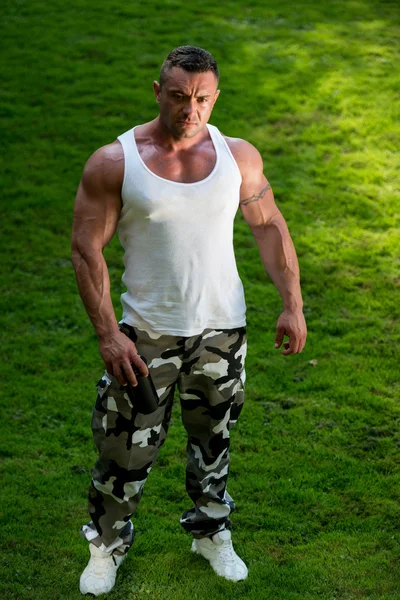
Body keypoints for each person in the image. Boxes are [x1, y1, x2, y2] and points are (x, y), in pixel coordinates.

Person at [71, 45, 307, 596]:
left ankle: (210, 533)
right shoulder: (116, 161)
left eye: (202, 98)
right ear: (158, 92)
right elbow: (86, 251)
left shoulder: (238, 156)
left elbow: (269, 225)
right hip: (145, 335)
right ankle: (105, 549)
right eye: (179, 96)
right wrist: (108, 335)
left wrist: (292, 302)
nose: (190, 108)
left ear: (215, 97)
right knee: (125, 449)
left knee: (213, 442)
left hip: (222, 331)